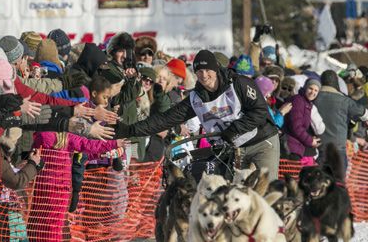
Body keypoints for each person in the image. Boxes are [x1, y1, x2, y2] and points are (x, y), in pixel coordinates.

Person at [113, 50, 280, 181]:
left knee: (266, 191)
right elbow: (164, 120)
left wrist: (233, 130)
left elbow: (260, 112)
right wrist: (129, 130)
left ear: (216, 68)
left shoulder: (239, 84)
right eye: (199, 71)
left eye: (208, 69)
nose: (204, 75)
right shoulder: (195, 98)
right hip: (233, 149)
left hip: (261, 142)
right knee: (233, 197)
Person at [313, 70, 368, 172]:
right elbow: (366, 115)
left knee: (316, 184)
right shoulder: (345, 101)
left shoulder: (313, 97)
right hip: (337, 150)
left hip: (317, 148)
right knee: (337, 184)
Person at [283, 79, 322, 165]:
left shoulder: (307, 104)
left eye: (316, 90)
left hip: (296, 147)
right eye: (310, 88)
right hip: (289, 147)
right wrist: (310, 141)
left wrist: (311, 139)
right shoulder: (298, 101)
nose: (313, 92)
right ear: (305, 88)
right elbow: (296, 127)